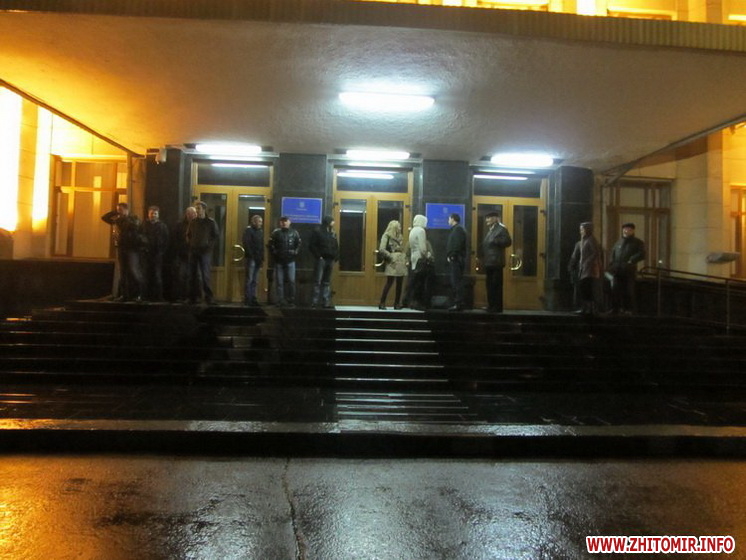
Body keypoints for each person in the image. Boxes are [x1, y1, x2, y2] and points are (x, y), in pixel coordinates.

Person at [101, 202, 144, 302]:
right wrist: (115, 212)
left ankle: (138, 294)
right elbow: (105, 218)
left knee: (133, 271)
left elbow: (134, 226)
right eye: (118, 210)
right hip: (121, 247)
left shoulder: (133, 219)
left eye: (121, 210)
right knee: (123, 272)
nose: (119, 212)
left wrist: (122, 217)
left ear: (126, 210)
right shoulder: (118, 220)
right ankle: (125, 294)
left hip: (131, 248)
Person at [607, 222, 646, 314]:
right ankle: (615, 308)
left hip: (629, 271)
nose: (626, 231)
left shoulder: (638, 242)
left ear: (633, 231)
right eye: (625, 229)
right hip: (617, 270)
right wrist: (612, 264)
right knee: (615, 290)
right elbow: (613, 254)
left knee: (628, 291)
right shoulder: (618, 242)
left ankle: (628, 309)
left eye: (629, 229)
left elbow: (642, 254)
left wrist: (632, 260)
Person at [186, 201, 219, 304]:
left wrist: (209, 247)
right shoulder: (193, 222)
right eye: (196, 208)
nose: (197, 210)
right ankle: (192, 297)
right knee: (192, 275)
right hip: (194, 250)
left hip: (205, 252)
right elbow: (188, 234)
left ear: (204, 209)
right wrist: (191, 243)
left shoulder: (210, 222)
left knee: (205, 275)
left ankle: (209, 297)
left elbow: (215, 236)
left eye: (198, 208)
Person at [568, 221, 602, 315]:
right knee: (584, 288)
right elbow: (576, 255)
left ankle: (590, 308)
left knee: (588, 288)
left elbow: (595, 253)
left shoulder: (591, 240)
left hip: (590, 270)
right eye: (581, 229)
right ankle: (585, 307)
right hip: (584, 269)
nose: (581, 231)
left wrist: (587, 262)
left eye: (582, 229)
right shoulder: (582, 241)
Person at [480, 211, 512, 313]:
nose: (487, 220)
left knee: (496, 285)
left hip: (496, 262)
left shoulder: (501, 229)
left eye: (489, 218)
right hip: (489, 262)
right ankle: (491, 305)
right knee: (489, 285)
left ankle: (497, 307)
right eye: (486, 218)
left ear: (495, 218)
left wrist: (496, 241)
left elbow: (508, 242)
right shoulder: (491, 229)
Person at [269, 216, 302, 307]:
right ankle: (280, 300)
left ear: (289, 222)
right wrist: (275, 252)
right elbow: (270, 244)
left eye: (286, 221)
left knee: (291, 281)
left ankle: (291, 300)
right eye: (282, 221)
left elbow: (299, 244)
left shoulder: (294, 233)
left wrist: (295, 252)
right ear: (280, 223)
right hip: (279, 260)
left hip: (290, 260)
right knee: (279, 282)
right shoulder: (276, 233)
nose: (284, 223)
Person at [141, 205, 169, 301]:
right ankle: (145, 296)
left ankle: (158, 297)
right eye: (152, 213)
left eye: (155, 213)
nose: (153, 215)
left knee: (157, 276)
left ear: (158, 215)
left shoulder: (163, 226)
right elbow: (139, 237)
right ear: (148, 214)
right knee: (145, 276)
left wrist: (161, 251)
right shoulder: (143, 225)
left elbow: (166, 240)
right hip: (146, 254)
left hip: (157, 254)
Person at [309, 215, 339, 309]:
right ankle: (314, 302)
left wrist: (336, 256)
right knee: (318, 281)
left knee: (326, 281)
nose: (333, 223)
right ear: (328, 221)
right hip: (321, 259)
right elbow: (312, 245)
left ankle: (326, 302)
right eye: (332, 221)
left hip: (330, 259)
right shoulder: (318, 231)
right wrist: (319, 256)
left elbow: (336, 245)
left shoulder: (333, 232)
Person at [402, 214, 430, 310]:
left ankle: (407, 301)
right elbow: (422, 248)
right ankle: (417, 303)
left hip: (413, 257)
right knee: (419, 283)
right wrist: (427, 255)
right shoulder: (421, 231)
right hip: (420, 258)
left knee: (412, 281)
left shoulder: (413, 230)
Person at [378, 220, 407, 310]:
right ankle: (382, 302)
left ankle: (397, 303)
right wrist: (390, 256)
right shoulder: (386, 236)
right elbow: (381, 249)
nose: (400, 228)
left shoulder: (400, 236)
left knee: (400, 283)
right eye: (399, 226)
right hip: (392, 262)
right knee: (389, 282)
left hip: (401, 261)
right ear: (394, 227)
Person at [171, 206, 196, 302]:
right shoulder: (180, 225)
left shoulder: (198, 224)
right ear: (186, 214)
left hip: (195, 254)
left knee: (195, 277)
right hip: (183, 255)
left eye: (193, 213)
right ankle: (182, 296)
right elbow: (175, 238)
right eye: (189, 213)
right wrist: (180, 249)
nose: (191, 215)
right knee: (182, 276)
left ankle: (194, 297)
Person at [446, 213, 467, 311]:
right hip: (456, 258)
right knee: (455, 281)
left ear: (453, 219)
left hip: (457, 259)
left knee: (456, 281)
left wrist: (452, 255)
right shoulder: (457, 229)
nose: (448, 221)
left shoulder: (458, 230)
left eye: (449, 219)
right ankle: (458, 303)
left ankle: (459, 303)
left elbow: (457, 244)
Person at [242, 214, 264, 306]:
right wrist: (251, 255)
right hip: (251, 258)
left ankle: (254, 298)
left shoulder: (260, 231)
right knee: (249, 279)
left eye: (261, 222)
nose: (261, 223)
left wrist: (262, 257)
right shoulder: (248, 230)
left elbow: (261, 245)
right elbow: (246, 244)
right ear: (254, 222)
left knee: (255, 280)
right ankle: (248, 298)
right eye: (259, 221)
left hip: (258, 258)